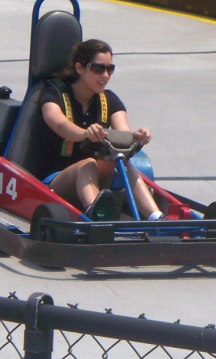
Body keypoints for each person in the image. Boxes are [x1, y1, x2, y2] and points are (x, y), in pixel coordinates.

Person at [37, 39, 163, 222]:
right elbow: (59, 124)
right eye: (98, 68)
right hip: (54, 180)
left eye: (109, 69)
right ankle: (95, 215)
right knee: (88, 164)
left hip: (97, 175)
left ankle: (155, 217)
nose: (105, 75)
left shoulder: (109, 100)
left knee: (123, 163)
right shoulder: (54, 94)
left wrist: (136, 136)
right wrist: (84, 133)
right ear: (80, 68)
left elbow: (124, 132)